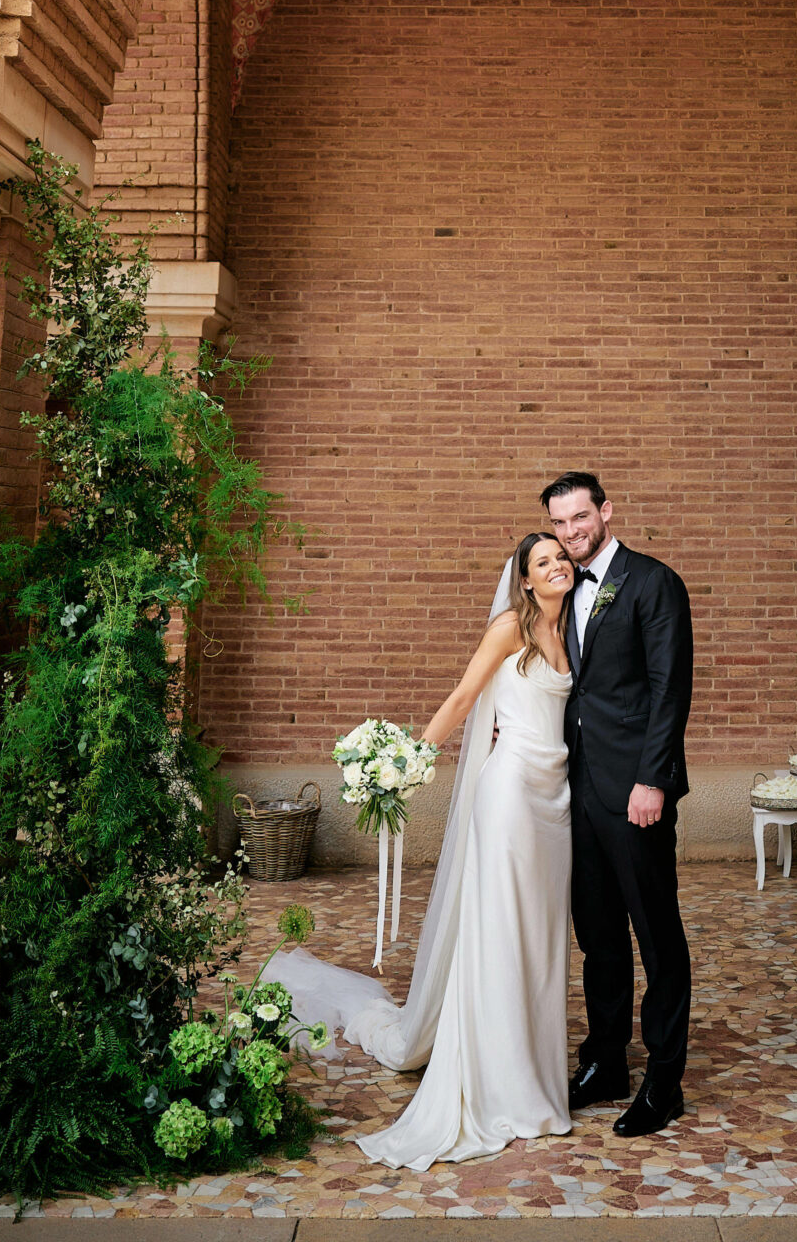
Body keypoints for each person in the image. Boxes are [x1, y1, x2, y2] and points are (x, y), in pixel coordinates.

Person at [271, 530, 578, 1170]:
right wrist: (412, 759)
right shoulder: (508, 628)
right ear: (524, 580)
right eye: (543, 562)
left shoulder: (574, 627)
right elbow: (465, 699)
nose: (557, 567)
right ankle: (501, 1083)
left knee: (542, 937)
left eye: (561, 557)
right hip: (510, 794)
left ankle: (536, 1074)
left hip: (556, 801)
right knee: (499, 935)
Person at [543, 469, 695, 1138]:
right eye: (559, 523)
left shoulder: (652, 582)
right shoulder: (561, 586)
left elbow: (668, 690)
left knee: (655, 935)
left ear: (605, 511)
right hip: (579, 792)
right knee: (597, 936)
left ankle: (664, 1081)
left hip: (634, 792)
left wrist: (652, 781)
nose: (571, 532)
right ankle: (606, 1063)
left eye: (580, 517)